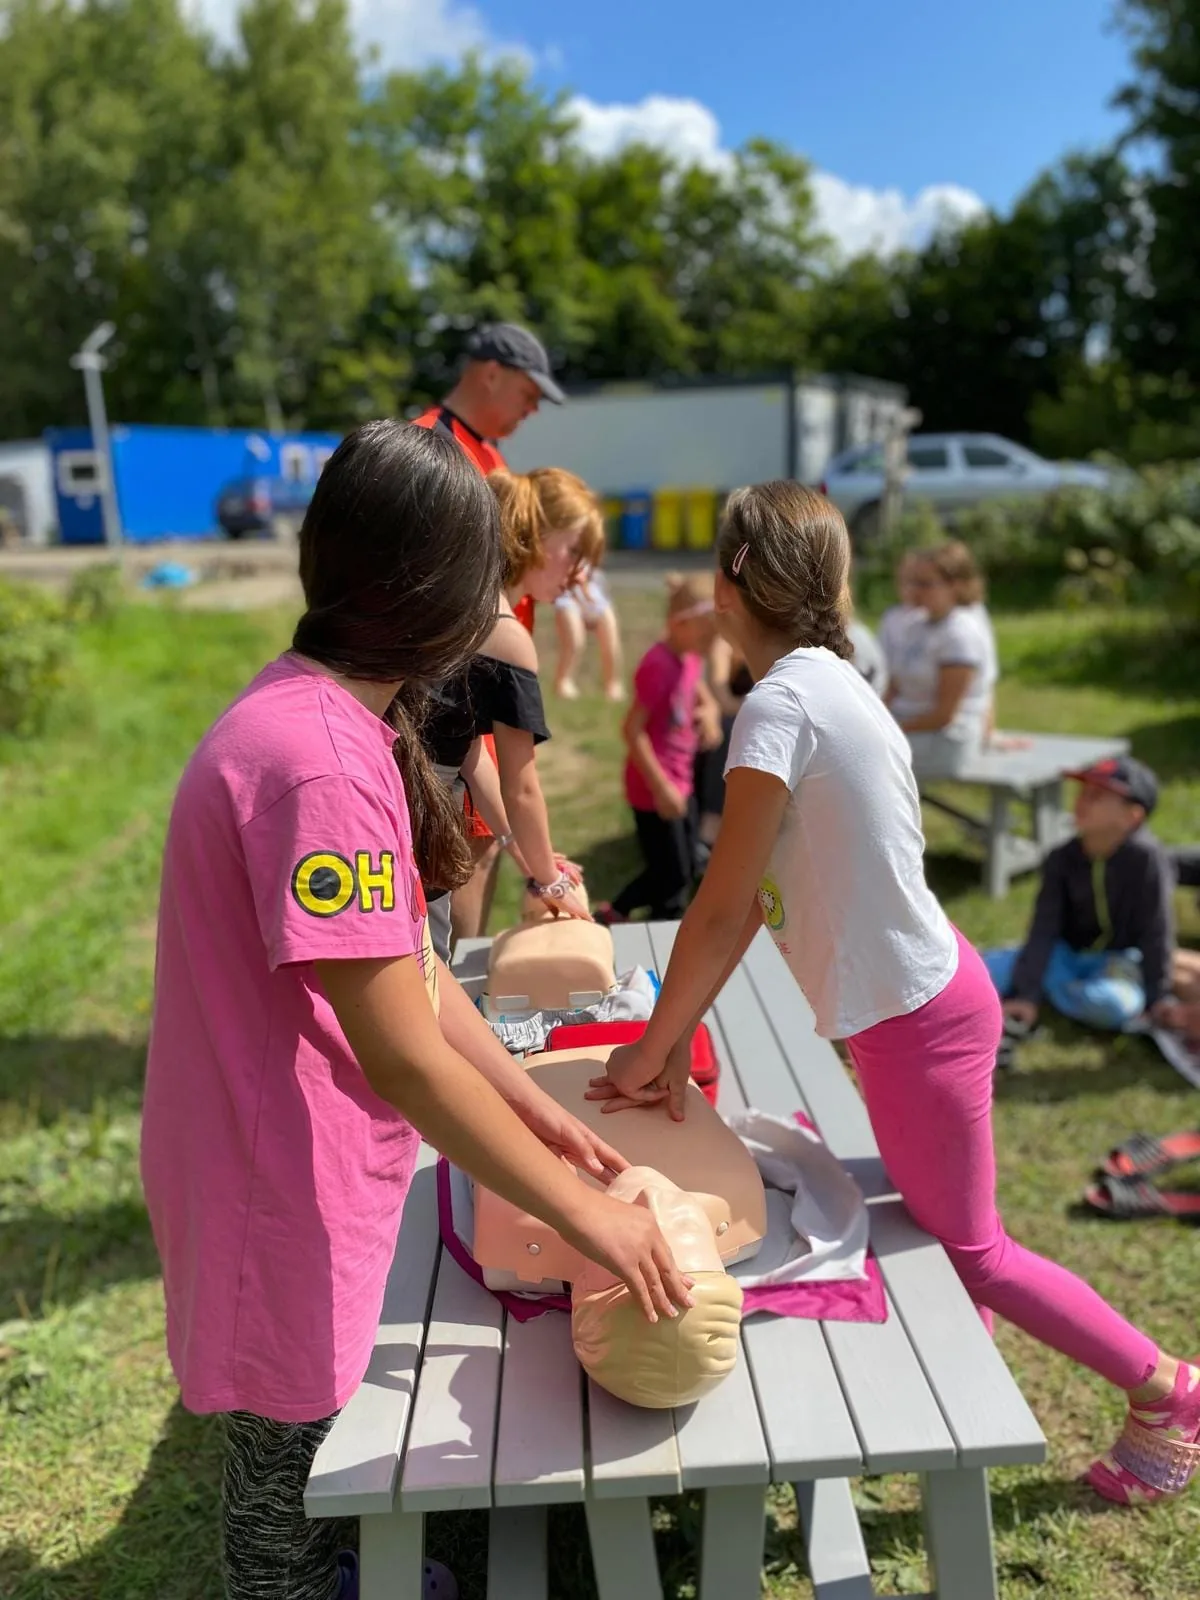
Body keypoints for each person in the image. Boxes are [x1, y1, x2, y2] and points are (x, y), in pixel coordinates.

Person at [140, 423, 692, 1600]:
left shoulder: (332, 717)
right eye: (489, 578)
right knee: (279, 1451)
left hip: (282, 1150)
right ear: (438, 595)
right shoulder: (321, 769)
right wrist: (595, 1221)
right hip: (268, 1168)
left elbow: (416, 972)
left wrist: (530, 1109)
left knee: (302, 1421)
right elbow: (398, 1052)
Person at [584, 480, 1200, 1508]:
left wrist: (652, 1048)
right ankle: (972, 1380)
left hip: (920, 1019)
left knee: (976, 1247)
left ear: (733, 582)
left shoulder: (777, 705)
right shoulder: (829, 676)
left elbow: (725, 906)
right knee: (925, 1214)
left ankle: (1168, 1388)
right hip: (913, 1005)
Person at [412, 323, 566, 940]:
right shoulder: (429, 448)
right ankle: (452, 1005)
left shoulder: (491, 455)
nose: (533, 410)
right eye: (530, 394)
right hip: (452, 707)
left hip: (490, 699)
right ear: (490, 372)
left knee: (495, 844)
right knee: (459, 862)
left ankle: (462, 993)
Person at [424, 467, 602, 957]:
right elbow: (522, 788)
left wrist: (526, 853)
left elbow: (463, 746)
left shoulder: (463, 604)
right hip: (418, 821)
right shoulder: (505, 636)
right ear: (535, 540)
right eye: (574, 553)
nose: (579, 572)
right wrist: (551, 883)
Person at [982, 758, 1176, 1039]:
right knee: (978, 974)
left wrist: (1158, 997)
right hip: (1062, 954)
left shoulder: (1148, 860)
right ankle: (1042, 985)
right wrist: (1026, 994)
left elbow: (1157, 931)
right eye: (1083, 792)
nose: (1082, 801)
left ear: (1132, 817)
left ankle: (1047, 985)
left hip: (1117, 962)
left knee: (1113, 1005)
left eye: (1096, 796)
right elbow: (1044, 927)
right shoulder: (1061, 858)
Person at [595, 574, 721, 925]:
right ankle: (614, 912)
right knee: (672, 873)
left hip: (682, 782)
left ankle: (663, 920)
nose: (710, 640)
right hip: (655, 791)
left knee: (685, 867)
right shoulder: (657, 665)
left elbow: (699, 692)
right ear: (678, 624)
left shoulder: (690, 657)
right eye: (705, 631)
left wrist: (709, 713)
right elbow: (631, 730)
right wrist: (662, 786)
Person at [885, 540, 991, 777]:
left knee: (858, 758)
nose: (915, 590)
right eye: (913, 582)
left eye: (925, 584)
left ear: (954, 586)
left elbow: (944, 716)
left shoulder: (960, 633)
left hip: (946, 740)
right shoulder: (916, 625)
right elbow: (894, 687)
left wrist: (889, 730)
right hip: (911, 729)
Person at [692, 636, 753, 869]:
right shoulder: (723, 645)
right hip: (723, 728)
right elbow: (724, 700)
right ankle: (711, 823)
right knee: (729, 727)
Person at [553, 562, 624, 702]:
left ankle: (612, 683)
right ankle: (564, 681)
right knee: (574, 642)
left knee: (610, 638)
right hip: (567, 592)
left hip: (592, 590)